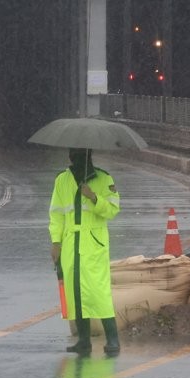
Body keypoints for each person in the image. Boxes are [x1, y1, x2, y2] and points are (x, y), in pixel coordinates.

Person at [49, 148, 121, 356]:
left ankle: (113, 339)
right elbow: (56, 215)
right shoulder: (62, 180)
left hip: (93, 243)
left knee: (98, 291)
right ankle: (83, 340)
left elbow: (113, 210)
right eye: (74, 156)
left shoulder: (103, 178)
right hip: (71, 242)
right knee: (75, 293)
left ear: (89, 157)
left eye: (81, 156)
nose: (76, 160)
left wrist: (93, 197)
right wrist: (56, 242)